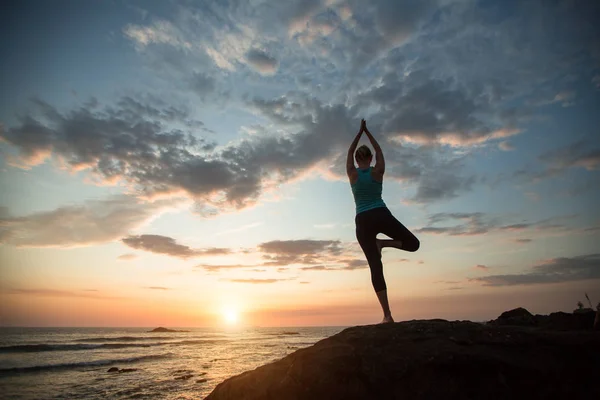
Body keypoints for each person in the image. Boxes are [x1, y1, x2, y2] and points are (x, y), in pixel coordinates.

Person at [347, 119, 420, 324]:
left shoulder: (352, 174)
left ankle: (387, 315)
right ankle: (384, 244)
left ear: (355, 158)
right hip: (380, 214)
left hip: (362, 221)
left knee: (375, 266)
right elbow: (379, 150)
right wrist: (368, 132)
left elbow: (349, 153)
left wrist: (358, 133)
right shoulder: (377, 172)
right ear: (370, 158)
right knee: (413, 245)